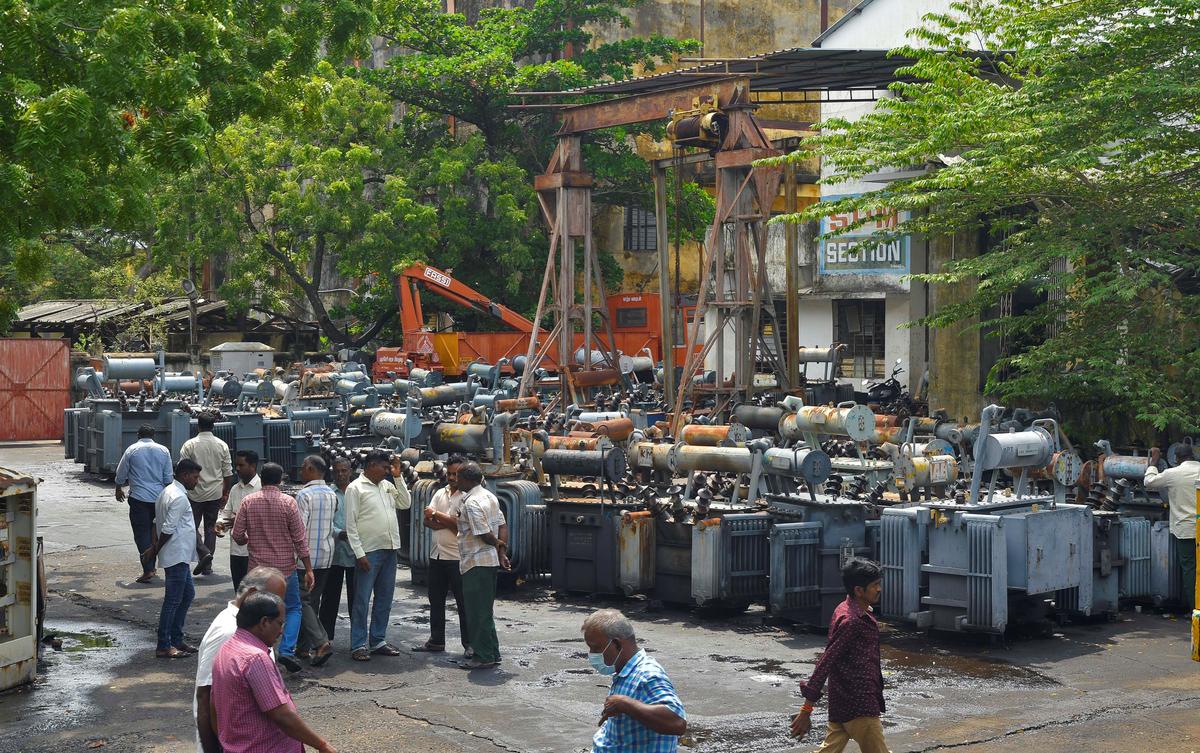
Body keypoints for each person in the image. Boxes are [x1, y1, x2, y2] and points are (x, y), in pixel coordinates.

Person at [210, 592, 337, 753]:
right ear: (264, 622)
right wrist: (322, 745)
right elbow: (281, 715)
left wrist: (226, 742)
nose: (281, 631)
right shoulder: (255, 658)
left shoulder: (227, 648)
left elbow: (214, 705)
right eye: (279, 624)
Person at [792, 558, 890, 753]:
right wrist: (806, 709)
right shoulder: (852, 621)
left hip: (842, 703)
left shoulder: (847, 608)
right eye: (874, 585)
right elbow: (826, 662)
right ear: (858, 590)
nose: (879, 589)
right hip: (860, 705)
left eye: (879, 584)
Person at [231, 462, 314, 673]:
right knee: (293, 608)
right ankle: (286, 650)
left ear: (262, 478)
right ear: (280, 480)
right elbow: (300, 539)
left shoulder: (248, 501)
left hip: (257, 571)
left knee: (256, 612)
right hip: (285, 569)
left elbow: (237, 534)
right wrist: (309, 568)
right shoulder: (289, 503)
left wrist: (247, 540)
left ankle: (258, 651)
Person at [195, 566, 287, 753]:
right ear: (252, 594)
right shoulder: (229, 630)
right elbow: (205, 695)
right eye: (273, 600)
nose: (278, 607)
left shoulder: (251, 626)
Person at [582, 608, 687, 753]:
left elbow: (677, 723)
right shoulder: (625, 673)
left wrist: (625, 704)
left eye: (596, 648)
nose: (592, 655)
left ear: (617, 644)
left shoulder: (647, 675)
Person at [344, 449, 411, 661]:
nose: (387, 470)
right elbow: (351, 524)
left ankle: (378, 640)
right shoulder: (355, 488)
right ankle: (358, 644)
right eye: (384, 467)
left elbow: (405, 503)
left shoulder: (387, 485)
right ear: (371, 465)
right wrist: (359, 553)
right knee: (362, 600)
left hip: (390, 549)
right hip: (369, 551)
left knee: (384, 598)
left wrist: (398, 477)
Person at [142, 458, 202, 659]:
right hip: (175, 554)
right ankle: (164, 644)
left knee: (187, 595)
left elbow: (155, 522)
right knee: (173, 600)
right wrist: (155, 549)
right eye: (194, 477)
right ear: (184, 475)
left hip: (180, 554)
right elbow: (167, 527)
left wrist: (153, 547)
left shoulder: (167, 492)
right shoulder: (178, 497)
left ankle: (176, 639)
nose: (196, 481)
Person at [414, 455, 471, 656]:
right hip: (437, 556)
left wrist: (438, 516)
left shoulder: (467, 497)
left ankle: (469, 645)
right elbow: (426, 521)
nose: (453, 477)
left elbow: (460, 526)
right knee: (435, 601)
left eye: (456, 474)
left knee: (463, 603)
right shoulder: (440, 493)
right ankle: (436, 640)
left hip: (457, 558)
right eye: (450, 473)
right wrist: (446, 522)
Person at [455, 462, 509, 670]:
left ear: (467, 480)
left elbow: (484, 534)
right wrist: (501, 551)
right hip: (488, 562)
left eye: (458, 477)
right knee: (484, 610)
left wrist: (496, 545)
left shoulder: (471, 502)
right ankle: (492, 652)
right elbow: (502, 525)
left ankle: (483, 655)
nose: (456, 481)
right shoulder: (490, 497)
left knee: (477, 612)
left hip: (475, 562)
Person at [114, 424, 174, 583]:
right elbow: (168, 478)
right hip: (159, 498)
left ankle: (148, 569)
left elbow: (121, 472)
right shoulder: (164, 450)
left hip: (139, 498)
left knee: (142, 534)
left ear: (138, 435)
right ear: (153, 435)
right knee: (157, 533)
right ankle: (157, 566)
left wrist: (118, 487)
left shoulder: (131, 450)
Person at [1146, 445, 1200, 612]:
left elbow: (1148, 482)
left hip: (1185, 530)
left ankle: (1195, 610)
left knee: (1190, 568)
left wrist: (1153, 462)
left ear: (1176, 458)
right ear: (1192, 455)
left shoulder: (1173, 474)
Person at [295, 455, 336, 666]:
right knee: (312, 601)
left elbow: (299, 530)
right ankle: (302, 647)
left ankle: (320, 642)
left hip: (307, 558)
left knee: (302, 601)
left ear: (311, 469)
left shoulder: (304, 495)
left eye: (303, 467)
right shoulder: (331, 493)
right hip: (326, 555)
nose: (301, 471)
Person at [180, 414, 234, 576]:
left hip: (194, 492)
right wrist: (225, 492)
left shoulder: (189, 445)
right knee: (211, 528)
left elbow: (183, 468)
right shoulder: (222, 445)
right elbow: (228, 472)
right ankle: (207, 563)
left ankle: (203, 553)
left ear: (198, 426)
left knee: (191, 526)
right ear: (213, 426)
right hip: (215, 492)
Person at [320, 457, 357, 640]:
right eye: (337, 471)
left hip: (355, 553)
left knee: (356, 598)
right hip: (333, 553)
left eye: (344, 471)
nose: (340, 475)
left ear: (350, 471)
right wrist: (337, 533)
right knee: (329, 598)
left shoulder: (357, 491)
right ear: (332, 472)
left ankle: (357, 638)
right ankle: (325, 638)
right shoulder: (328, 494)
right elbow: (324, 521)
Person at [215, 450, 262, 593]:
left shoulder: (261, 488)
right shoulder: (235, 489)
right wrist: (219, 527)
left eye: (241, 465)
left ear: (253, 466)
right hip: (236, 551)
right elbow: (226, 513)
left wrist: (240, 520)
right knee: (239, 592)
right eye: (236, 465)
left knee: (256, 593)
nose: (238, 469)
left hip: (255, 552)